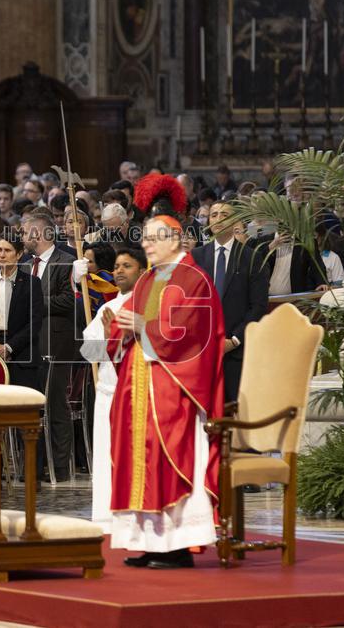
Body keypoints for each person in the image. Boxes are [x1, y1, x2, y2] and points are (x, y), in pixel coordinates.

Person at [109, 174, 225, 569]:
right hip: (139, 383)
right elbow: (126, 323)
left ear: (173, 239)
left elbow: (195, 335)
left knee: (166, 457)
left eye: (152, 239)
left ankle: (178, 546)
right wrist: (117, 327)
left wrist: (143, 328)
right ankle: (148, 542)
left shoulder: (194, 280)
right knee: (137, 458)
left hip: (174, 388)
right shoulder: (148, 280)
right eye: (143, 239)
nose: (145, 246)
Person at [79, 246, 147, 532]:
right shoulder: (107, 308)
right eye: (117, 266)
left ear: (143, 271)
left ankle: (137, 512)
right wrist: (106, 339)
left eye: (127, 266)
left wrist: (116, 341)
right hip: (108, 390)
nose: (119, 271)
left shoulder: (147, 305)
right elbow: (87, 352)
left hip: (138, 392)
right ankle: (108, 515)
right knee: (107, 454)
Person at [191, 201, 270, 402]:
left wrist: (234, 339)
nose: (218, 219)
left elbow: (258, 305)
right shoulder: (196, 256)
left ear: (235, 221)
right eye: (214, 214)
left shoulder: (251, 257)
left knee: (237, 414)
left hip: (238, 351)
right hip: (203, 351)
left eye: (224, 214)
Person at [21, 213, 79, 481]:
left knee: (55, 402)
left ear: (38, 234)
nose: (21, 237)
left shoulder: (66, 261)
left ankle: (60, 466)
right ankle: (33, 465)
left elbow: (69, 300)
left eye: (24, 232)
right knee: (28, 405)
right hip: (27, 342)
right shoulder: (23, 264)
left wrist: (32, 304)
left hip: (54, 339)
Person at [0, 233, 44, 390]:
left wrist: (9, 347)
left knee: (22, 408)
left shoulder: (32, 283)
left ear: (18, 254)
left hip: (22, 355)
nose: (2, 255)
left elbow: (35, 321)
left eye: (7, 250)